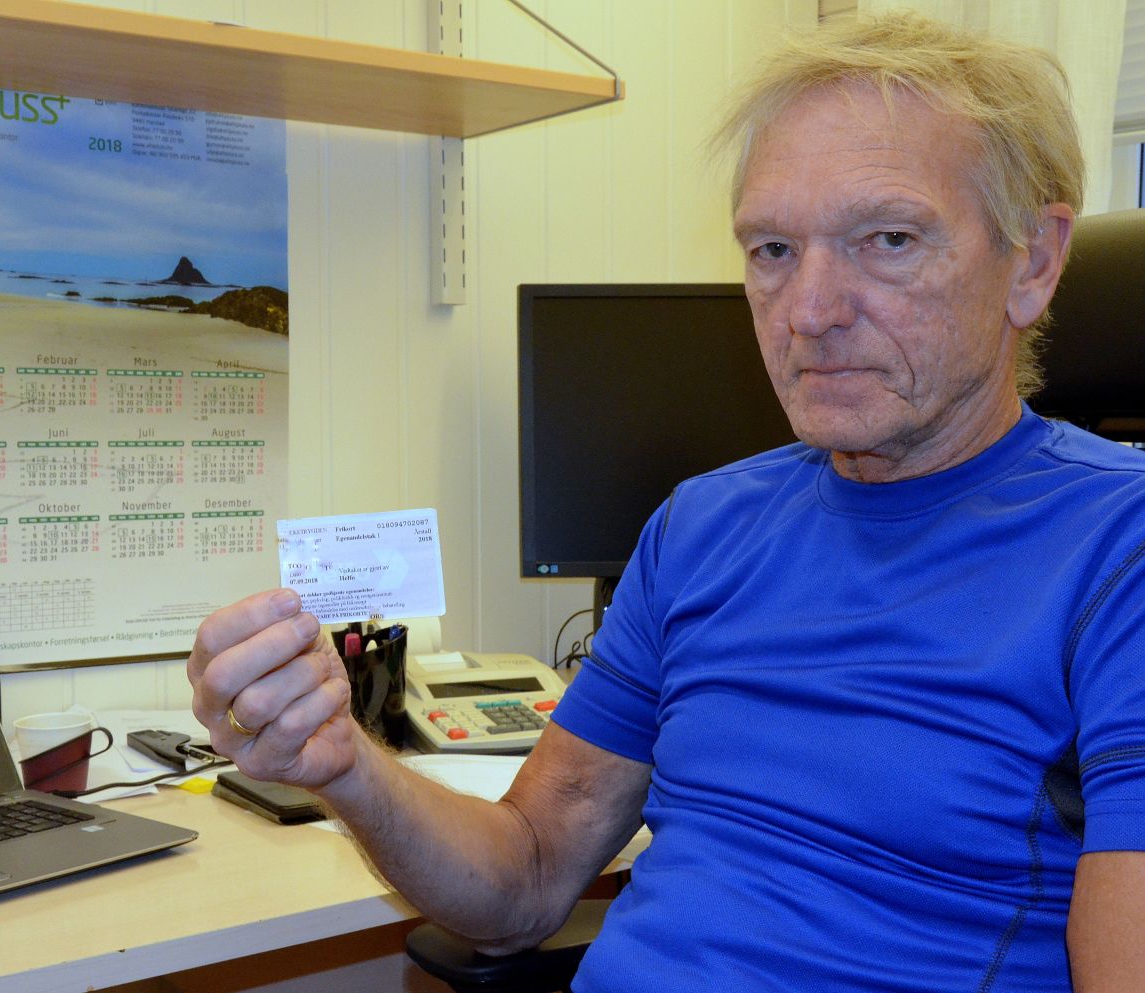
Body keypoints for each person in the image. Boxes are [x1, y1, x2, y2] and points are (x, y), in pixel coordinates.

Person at [188, 12, 1145, 991]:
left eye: (888, 239)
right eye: (771, 249)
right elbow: (524, 877)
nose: (809, 312)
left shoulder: (1119, 548)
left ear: (1032, 261)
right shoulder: (702, 528)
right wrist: (342, 761)